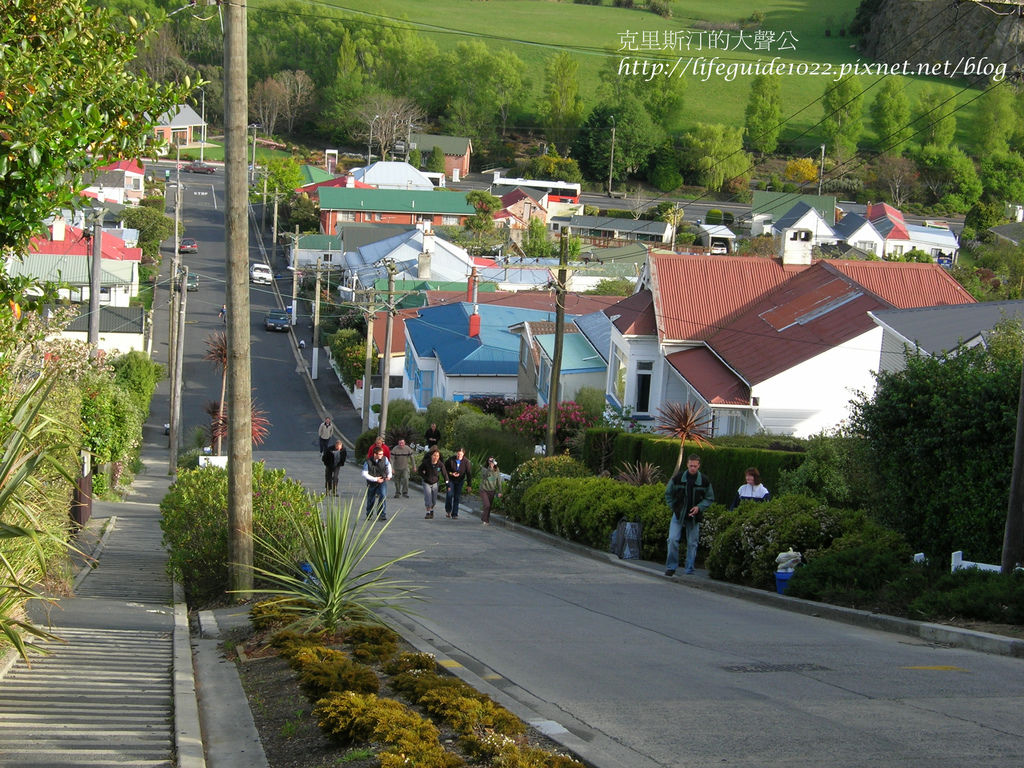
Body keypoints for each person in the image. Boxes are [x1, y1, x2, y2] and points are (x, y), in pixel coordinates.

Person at [664, 455, 714, 576]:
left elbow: (709, 497)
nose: (692, 468)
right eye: (691, 465)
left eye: (695, 466)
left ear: (699, 466)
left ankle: (689, 568)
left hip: (694, 516)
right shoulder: (678, 478)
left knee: (692, 543)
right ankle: (671, 566)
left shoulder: (704, 480)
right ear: (687, 465)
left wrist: (699, 507)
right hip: (679, 514)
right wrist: (674, 507)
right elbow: (668, 494)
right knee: (672, 539)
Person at [361, 446, 392, 520]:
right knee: (371, 498)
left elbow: (389, 467)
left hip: (382, 481)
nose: (382, 455)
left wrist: (389, 475)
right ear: (375, 454)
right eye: (380, 454)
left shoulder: (385, 459)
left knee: (383, 496)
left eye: (382, 454)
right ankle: (369, 514)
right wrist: (375, 479)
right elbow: (364, 473)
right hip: (372, 482)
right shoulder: (368, 462)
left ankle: (382, 514)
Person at [417, 448, 449, 519]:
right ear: (431, 456)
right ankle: (428, 512)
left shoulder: (440, 464)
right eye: (434, 455)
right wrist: (424, 477)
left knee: (434, 500)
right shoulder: (426, 462)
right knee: (428, 497)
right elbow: (420, 470)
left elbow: (445, 474)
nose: (436, 457)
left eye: (437, 456)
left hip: (435, 483)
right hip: (426, 482)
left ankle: (431, 510)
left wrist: (447, 483)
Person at [444, 448, 472, 519]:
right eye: (458, 454)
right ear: (456, 453)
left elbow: (468, 474)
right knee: (449, 495)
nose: (459, 455)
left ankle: (455, 513)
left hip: (459, 481)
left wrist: (469, 485)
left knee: (457, 497)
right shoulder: (451, 459)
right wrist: (451, 473)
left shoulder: (466, 462)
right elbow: (444, 469)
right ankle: (448, 510)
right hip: (451, 480)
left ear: (463, 454)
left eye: (461, 454)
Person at [478, 457, 503, 525]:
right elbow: (485, 476)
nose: (491, 462)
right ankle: (484, 519)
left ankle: (486, 520)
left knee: (489, 506)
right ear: (487, 461)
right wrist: (490, 468)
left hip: (492, 490)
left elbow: (499, 481)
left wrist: (500, 491)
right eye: (490, 461)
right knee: (487, 505)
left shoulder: (497, 469)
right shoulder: (484, 468)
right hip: (484, 489)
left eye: (492, 461)